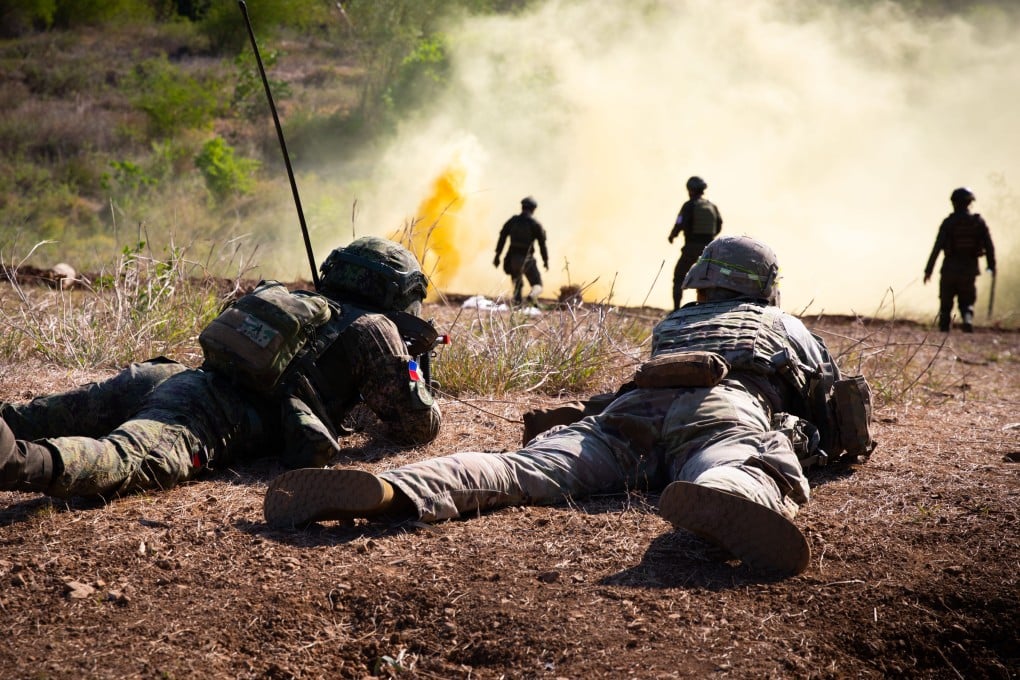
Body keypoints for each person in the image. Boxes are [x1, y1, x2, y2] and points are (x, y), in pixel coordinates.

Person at [264, 236, 874, 576]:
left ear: (704, 282)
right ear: (763, 286)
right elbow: (834, 408)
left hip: (628, 412)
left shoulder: (676, 323)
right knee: (745, 460)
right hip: (724, 408)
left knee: (519, 469)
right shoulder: (782, 324)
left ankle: (396, 488)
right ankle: (730, 497)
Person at [0, 237, 442, 500]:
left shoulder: (303, 302)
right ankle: (16, 463)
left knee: (46, 412)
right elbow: (416, 425)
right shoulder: (375, 328)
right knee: (126, 458)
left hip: (179, 378)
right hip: (216, 416)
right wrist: (416, 370)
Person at [924, 187, 996, 332]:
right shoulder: (978, 223)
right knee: (967, 301)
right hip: (969, 269)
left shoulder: (948, 223)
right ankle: (967, 320)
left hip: (949, 268)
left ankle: (943, 329)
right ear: (970, 203)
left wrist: (928, 270)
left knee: (946, 302)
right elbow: (989, 246)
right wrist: (991, 266)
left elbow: (937, 248)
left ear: (954, 203)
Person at [668, 176, 723, 310]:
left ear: (690, 190)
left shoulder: (689, 205)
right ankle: (709, 308)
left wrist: (673, 235)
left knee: (679, 277)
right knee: (710, 280)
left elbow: (680, 222)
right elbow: (719, 223)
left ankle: (676, 309)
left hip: (691, 248)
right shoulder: (712, 206)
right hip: (709, 250)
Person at [493, 196, 549, 305]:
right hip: (527, 259)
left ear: (522, 207)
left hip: (513, 259)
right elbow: (542, 245)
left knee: (517, 284)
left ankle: (517, 304)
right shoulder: (535, 224)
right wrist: (545, 261)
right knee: (537, 285)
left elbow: (502, 237)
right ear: (533, 209)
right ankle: (532, 297)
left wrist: (497, 256)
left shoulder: (513, 221)